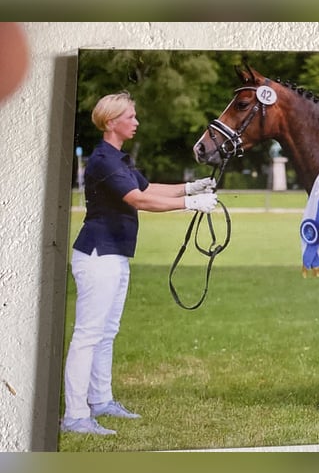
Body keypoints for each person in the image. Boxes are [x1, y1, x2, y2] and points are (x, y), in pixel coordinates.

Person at [61, 91, 217, 436]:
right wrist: (192, 203)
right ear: (112, 121)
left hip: (114, 254)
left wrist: (192, 186)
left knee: (106, 334)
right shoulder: (103, 159)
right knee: (88, 336)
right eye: (130, 116)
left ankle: (100, 401)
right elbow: (140, 200)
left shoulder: (120, 159)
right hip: (98, 254)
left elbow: (150, 187)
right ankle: (75, 415)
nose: (136, 122)